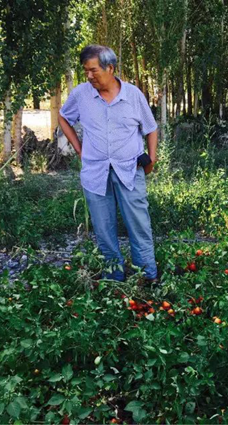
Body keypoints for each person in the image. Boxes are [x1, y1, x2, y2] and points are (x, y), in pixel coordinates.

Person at [58, 45, 159, 283]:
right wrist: (79, 149)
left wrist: (152, 159)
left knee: (139, 226)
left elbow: (151, 128)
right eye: (86, 71)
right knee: (103, 229)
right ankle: (114, 279)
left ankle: (147, 276)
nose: (89, 76)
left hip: (130, 170)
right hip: (95, 172)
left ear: (110, 68)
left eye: (94, 70)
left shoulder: (133, 95)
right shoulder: (81, 95)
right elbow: (64, 117)